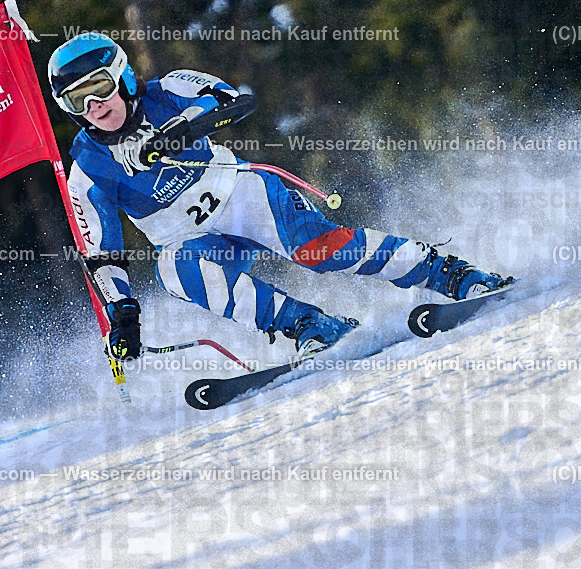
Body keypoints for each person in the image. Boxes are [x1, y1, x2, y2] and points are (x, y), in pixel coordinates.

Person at [48, 32, 511, 361]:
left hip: (241, 196)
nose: (94, 107)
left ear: (122, 77)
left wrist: (178, 133)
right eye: (76, 101)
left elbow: (234, 101)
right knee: (175, 271)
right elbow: (103, 254)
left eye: (99, 90)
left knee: (318, 249)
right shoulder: (86, 170)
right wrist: (122, 314)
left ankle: (450, 273)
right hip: (192, 239)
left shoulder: (168, 90)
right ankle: (310, 326)